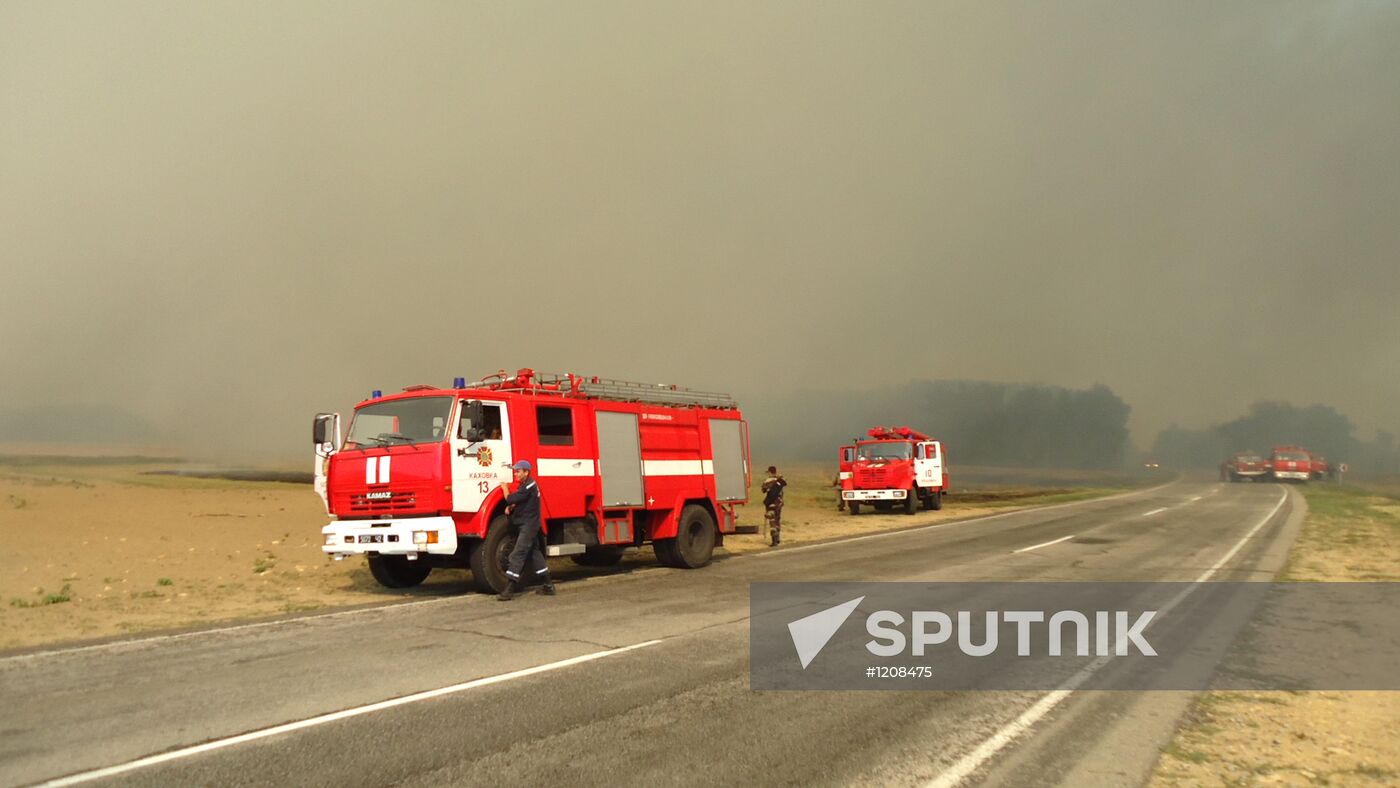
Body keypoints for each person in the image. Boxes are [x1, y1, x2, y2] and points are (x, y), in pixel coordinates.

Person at [496, 460, 556, 600]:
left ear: (526, 472)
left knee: (518, 554)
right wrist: (512, 508)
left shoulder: (529, 485)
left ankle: (509, 589)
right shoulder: (527, 485)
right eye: (515, 471)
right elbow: (522, 501)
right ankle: (548, 585)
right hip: (530, 525)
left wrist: (504, 488)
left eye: (518, 471)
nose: (515, 473)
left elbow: (510, 498)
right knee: (534, 554)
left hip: (528, 526)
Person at [761, 465, 787, 546]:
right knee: (777, 520)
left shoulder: (768, 481)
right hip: (779, 503)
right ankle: (778, 538)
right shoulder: (780, 481)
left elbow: (763, 490)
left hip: (771, 504)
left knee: (772, 521)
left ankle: (774, 540)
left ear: (769, 472)